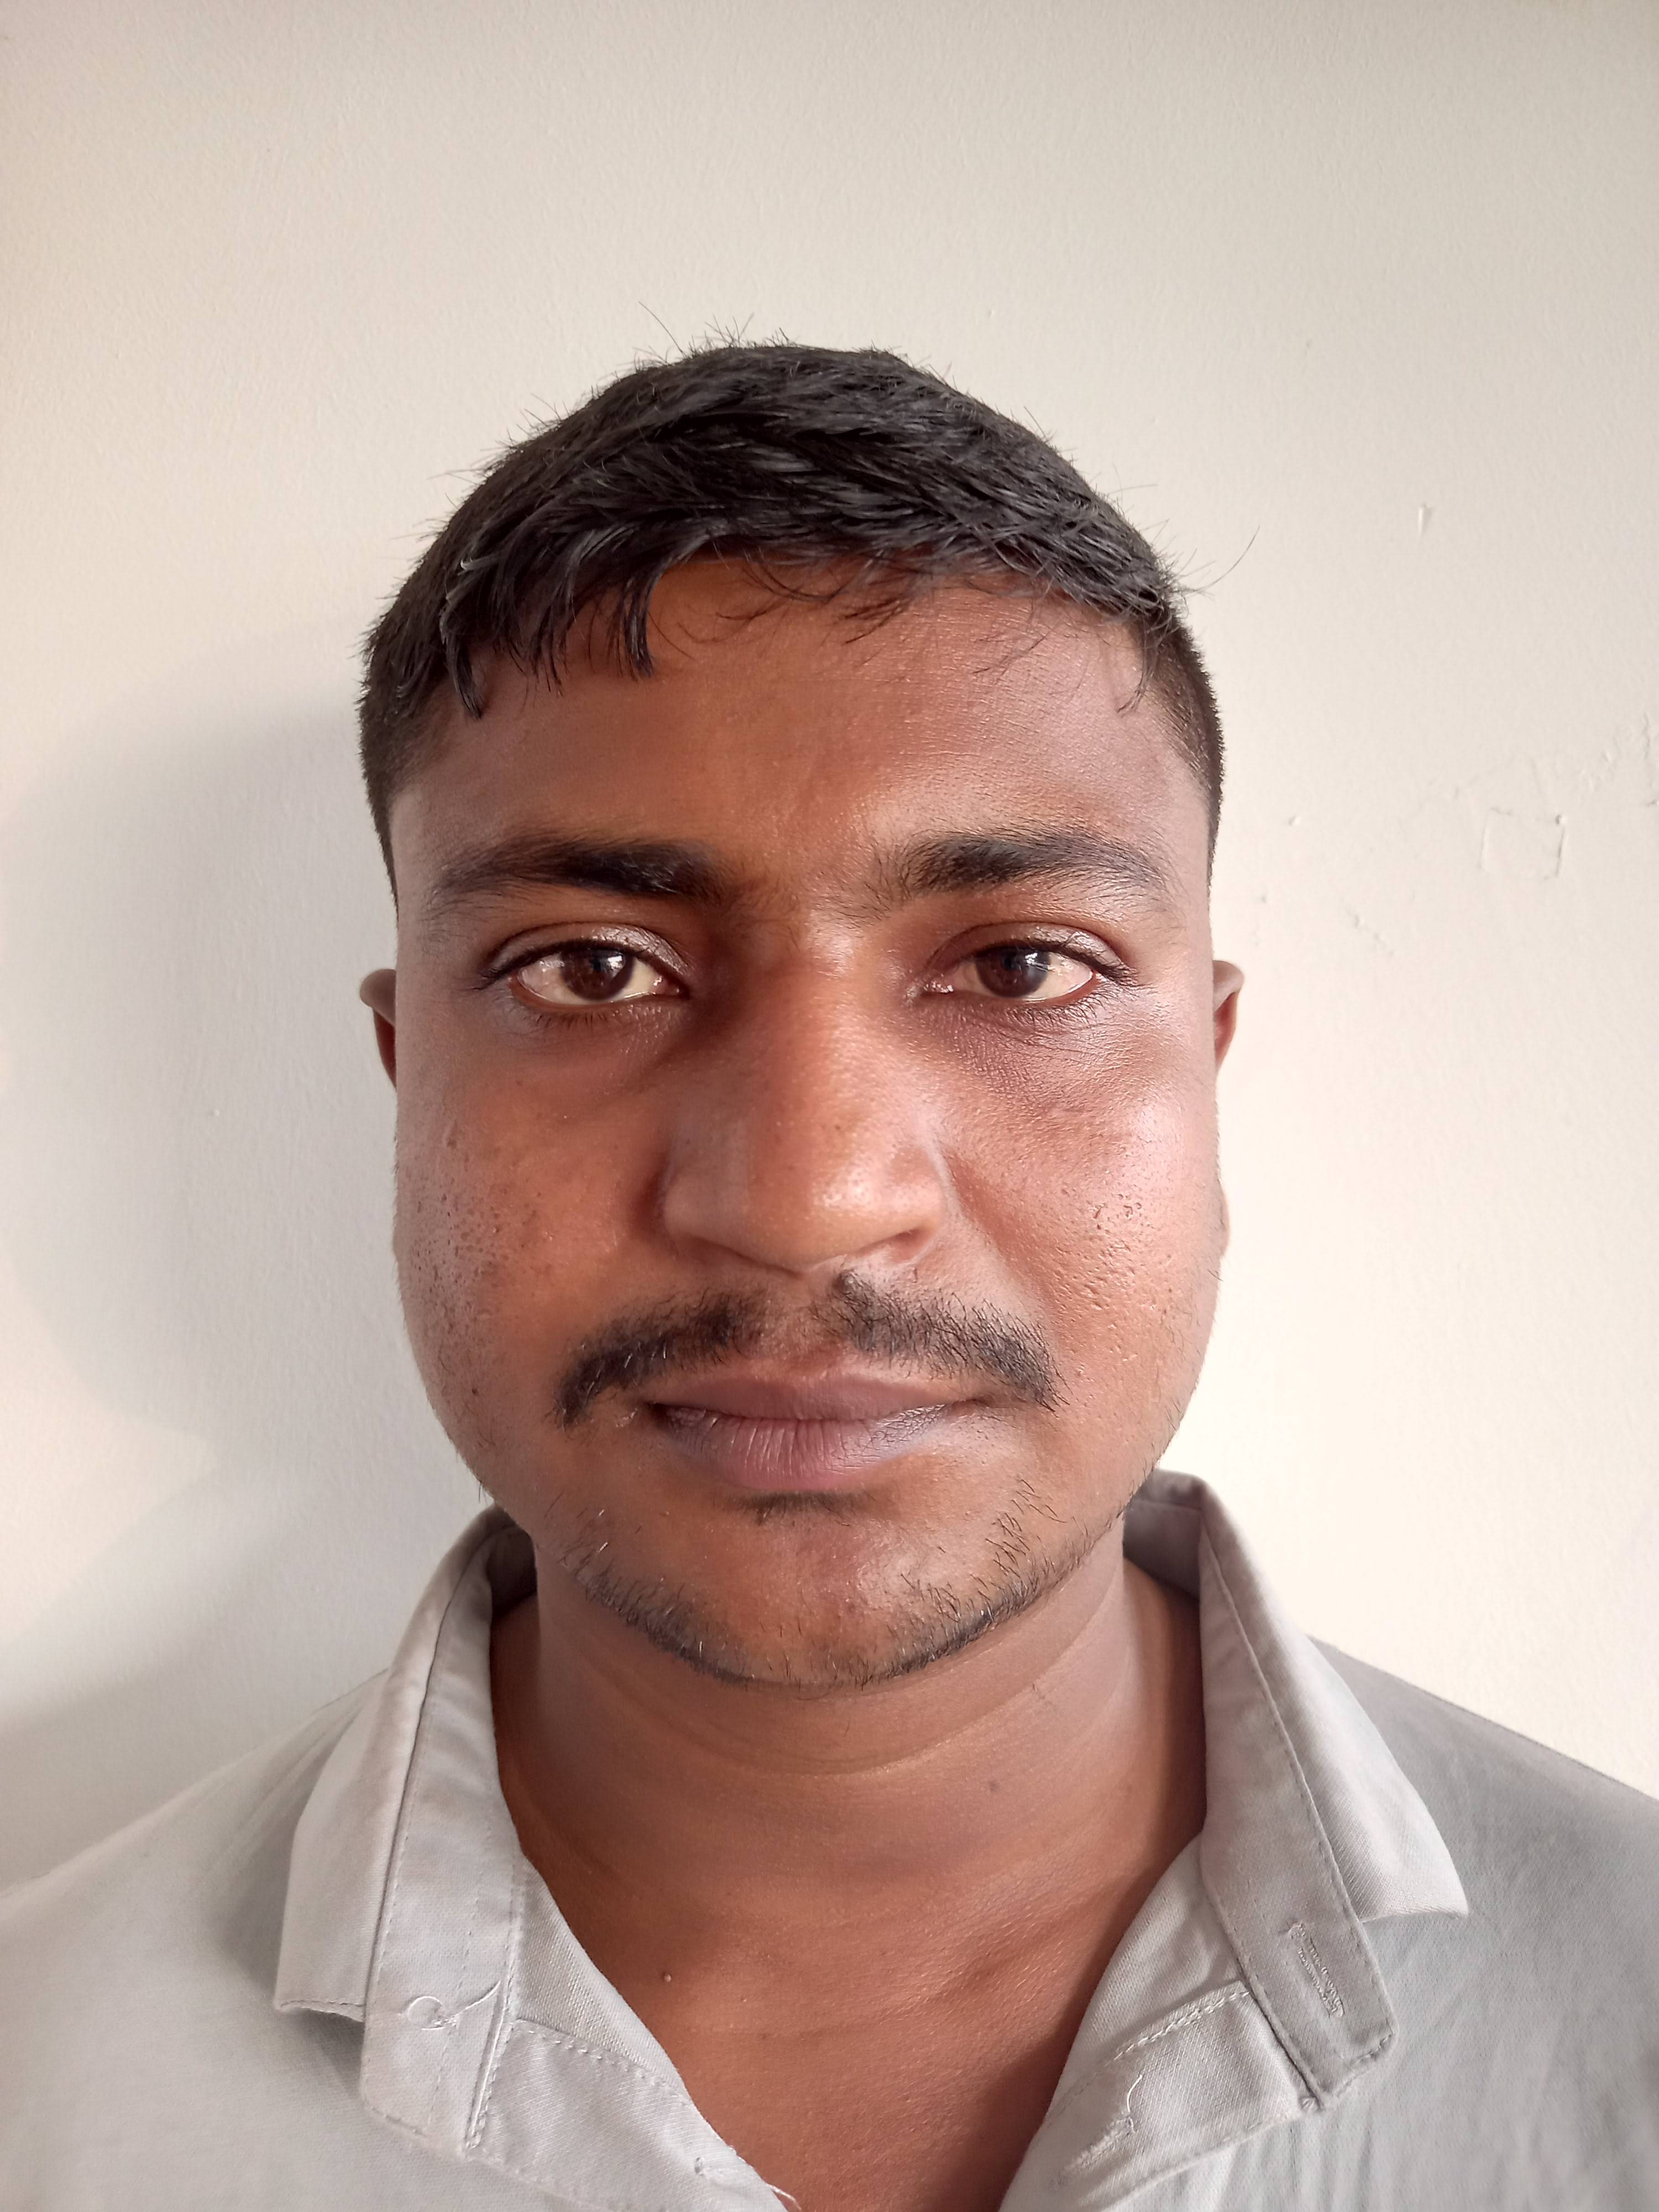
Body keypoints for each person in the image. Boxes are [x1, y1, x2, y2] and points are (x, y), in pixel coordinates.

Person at [2, 343, 1654, 2211]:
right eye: (591, 969)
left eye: (1021, 966)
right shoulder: (42, 2101)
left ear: (1205, 1064)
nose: (805, 1200)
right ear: (409, 1078)